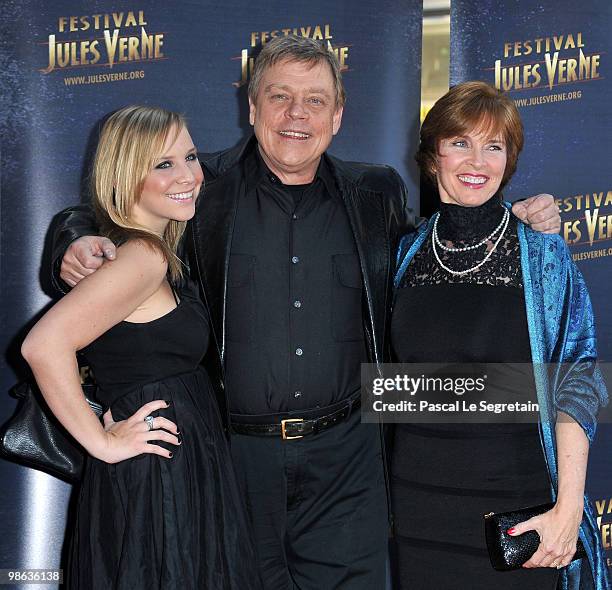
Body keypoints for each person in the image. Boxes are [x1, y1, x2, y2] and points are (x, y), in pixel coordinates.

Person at [50, 38, 561, 589]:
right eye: (280, 96)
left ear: (338, 115)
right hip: (230, 459)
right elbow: (112, 206)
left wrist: (521, 215)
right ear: (252, 107)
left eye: (316, 100)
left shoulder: (376, 192)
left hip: (347, 463)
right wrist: (71, 240)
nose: (297, 114)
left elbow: (451, 232)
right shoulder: (201, 188)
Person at [22, 105, 261, 590]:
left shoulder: (150, 251)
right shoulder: (143, 256)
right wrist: (100, 441)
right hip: (157, 476)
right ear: (126, 175)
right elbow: (43, 346)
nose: (189, 175)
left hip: (171, 464)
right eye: (163, 164)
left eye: (190, 156)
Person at [391, 81, 609, 589]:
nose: (477, 160)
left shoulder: (543, 255)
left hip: (515, 509)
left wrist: (569, 510)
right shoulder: (406, 254)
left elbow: (577, 383)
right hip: (418, 511)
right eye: (460, 142)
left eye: (494, 146)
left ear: (508, 160)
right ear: (433, 153)